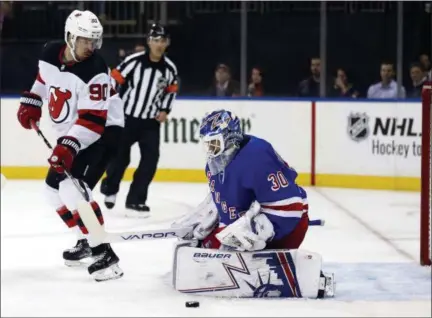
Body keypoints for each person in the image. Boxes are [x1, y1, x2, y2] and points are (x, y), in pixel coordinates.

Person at [170, 109, 334, 298]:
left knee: (221, 256)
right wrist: (208, 217)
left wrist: (254, 230)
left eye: (214, 143)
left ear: (230, 139)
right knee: (200, 249)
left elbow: (291, 208)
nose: (210, 151)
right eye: (207, 144)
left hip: (287, 227)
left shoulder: (257, 155)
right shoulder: (214, 164)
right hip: (248, 221)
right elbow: (228, 204)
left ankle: (287, 272)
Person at [16, 10, 124, 282]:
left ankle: (105, 254)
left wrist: (67, 146)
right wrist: (33, 101)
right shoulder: (50, 53)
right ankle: (86, 240)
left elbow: (93, 122)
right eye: (85, 40)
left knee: (73, 189)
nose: (90, 46)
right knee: (51, 192)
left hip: (103, 133)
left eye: (94, 41)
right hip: (77, 135)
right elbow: (43, 80)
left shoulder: (96, 71)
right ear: (69, 37)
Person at [100, 23, 178, 217]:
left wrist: (164, 110)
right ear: (148, 41)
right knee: (119, 159)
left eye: (162, 41)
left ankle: (136, 201)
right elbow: (114, 79)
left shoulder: (169, 69)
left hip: (150, 123)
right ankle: (110, 188)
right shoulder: (133, 61)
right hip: (126, 119)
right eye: (155, 40)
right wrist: (111, 104)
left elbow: (170, 91)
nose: (159, 44)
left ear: (167, 43)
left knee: (150, 161)